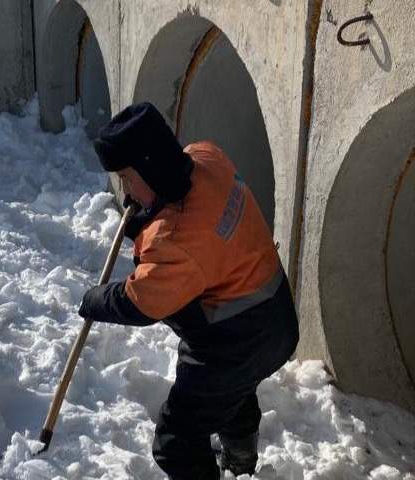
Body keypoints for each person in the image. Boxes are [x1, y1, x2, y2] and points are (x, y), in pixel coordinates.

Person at [78, 102, 299, 479]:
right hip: (276, 315)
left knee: (176, 443)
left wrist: (93, 300)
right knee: (233, 391)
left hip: (232, 342)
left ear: (151, 166)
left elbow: (141, 302)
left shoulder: (175, 241)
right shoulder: (206, 156)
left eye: (129, 177)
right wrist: (149, 214)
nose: (126, 188)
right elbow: (200, 219)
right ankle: (242, 463)